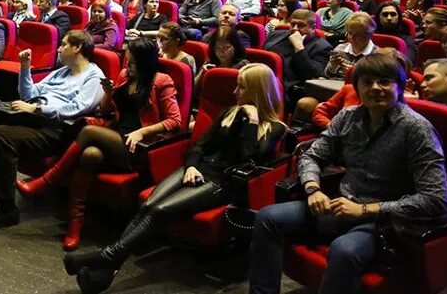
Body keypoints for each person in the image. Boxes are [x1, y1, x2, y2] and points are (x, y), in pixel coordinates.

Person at [65, 63, 286, 293]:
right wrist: (191, 166)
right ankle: (105, 271)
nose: (235, 92)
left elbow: (247, 160)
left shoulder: (274, 128)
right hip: (196, 169)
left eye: (241, 88)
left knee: (160, 210)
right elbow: (201, 145)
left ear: (257, 91)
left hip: (221, 183)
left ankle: (104, 257)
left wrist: (251, 122)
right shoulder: (230, 113)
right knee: (149, 203)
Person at [249, 52, 447, 294]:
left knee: (344, 250)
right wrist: (313, 189)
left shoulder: (417, 129)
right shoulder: (348, 116)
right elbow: (313, 155)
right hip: (341, 207)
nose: (375, 88)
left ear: (399, 87)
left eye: (384, 82)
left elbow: (435, 199)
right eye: (367, 82)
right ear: (357, 87)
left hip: (385, 223)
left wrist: (366, 210)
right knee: (267, 218)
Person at [16, 38, 181, 249]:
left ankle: (47, 181)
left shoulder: (161, 81)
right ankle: (75, 226)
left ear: (143, 63)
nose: (127, 66)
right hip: (115, 139)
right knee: (90, 155)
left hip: (141, 148)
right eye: (126, 62)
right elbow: (105, 111)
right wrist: (110, 94)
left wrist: (142, 132)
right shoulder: (124, 76)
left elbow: (175, 121)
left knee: (88, 132)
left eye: (131, 63)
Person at [0, 30, 105, 231]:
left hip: (57, 130)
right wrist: (25, 68)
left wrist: (37, 109)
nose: (59, 48)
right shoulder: (61, 71)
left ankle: (6, 209)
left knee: (2, 134)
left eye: (63, 44)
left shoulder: (94, 76)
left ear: (78, 47)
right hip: (32, 119)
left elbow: (78, 108)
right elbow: (29, 93)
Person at [294, 13, 379, 125]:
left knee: (320, 107)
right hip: (331, 92)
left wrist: (353, 73)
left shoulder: (377, 55)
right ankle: (299, 136)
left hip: (358, 97)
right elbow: (326, 75)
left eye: (357, 35)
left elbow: (375, 84)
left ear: (369, 35)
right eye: (349, 33)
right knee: (304, 103)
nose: (352, 38)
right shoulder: (340, 49)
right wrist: (333, 66)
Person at [262, 9, 332, 109]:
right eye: (293, 24)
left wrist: (299, 47)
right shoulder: (276, 35)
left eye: (301, 25)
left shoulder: (323, 47)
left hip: (286, 89)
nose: (295, 29)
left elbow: (312, 73)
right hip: (262, 79)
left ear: (313, 28)